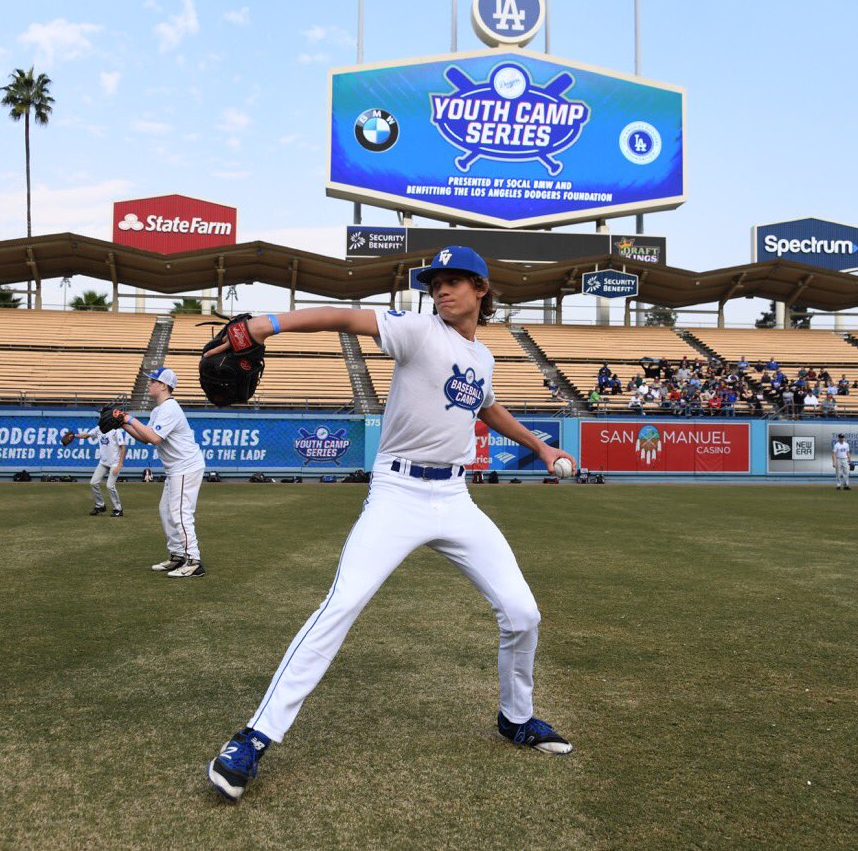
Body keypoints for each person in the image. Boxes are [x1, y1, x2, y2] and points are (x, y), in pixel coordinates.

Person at [203, 246, 574, 803]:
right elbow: (345, 317)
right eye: (435, 282)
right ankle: (255, 737)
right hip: (398, 493)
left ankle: (516, 718)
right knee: (342, 603)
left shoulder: (483, 358)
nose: (441, 290)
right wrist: (265, 325)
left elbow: (488, 409)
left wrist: (542, 448)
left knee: (523, 611)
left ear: (481, 290)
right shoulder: (418, 329)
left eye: (454, 281)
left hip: (453, 495)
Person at [117, 368, 207, 577]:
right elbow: (147, 437)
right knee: (166, 511)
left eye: (153, 381)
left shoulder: (170, 408)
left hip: (186, 466)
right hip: (177, 468)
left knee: (180, 512)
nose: (149, 384)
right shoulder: (159, 410)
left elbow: (155, 438)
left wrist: (129, 419)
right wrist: (123, 423)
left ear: (163, 385)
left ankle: (193, 561)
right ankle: (177, 556)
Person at [70, 423, 127, 516]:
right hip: (103, 462)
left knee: (110, 486)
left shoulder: (116, 431)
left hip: (115, 463)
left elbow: (123, 448)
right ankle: (100, 505)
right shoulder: (99, 429)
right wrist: (74, 435)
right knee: (93, 482)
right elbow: (86, 435)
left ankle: (118, 509)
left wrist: (119, 465)